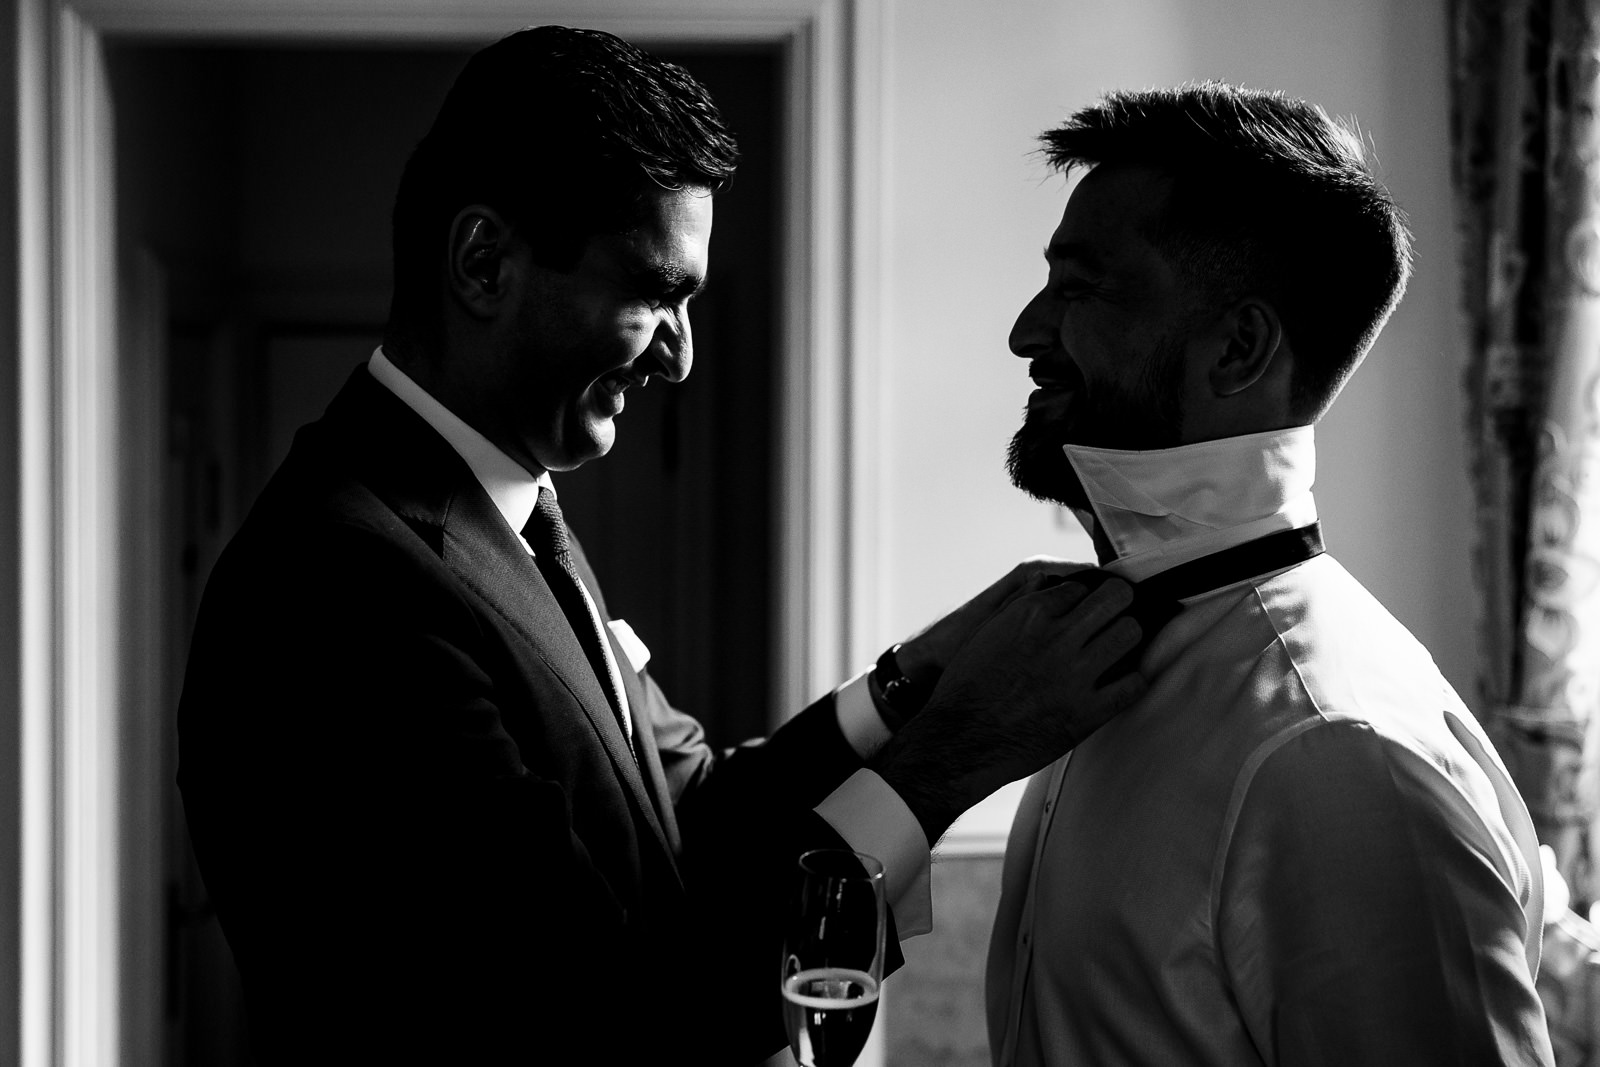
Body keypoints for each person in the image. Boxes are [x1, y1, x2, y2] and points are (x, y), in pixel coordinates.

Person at [176, 25, 1151, 1065]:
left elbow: (679, 813)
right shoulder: (342, 587)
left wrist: (910, 683)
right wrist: (953, 755)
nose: (680, 356)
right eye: (655, 294)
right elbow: (609, 1015)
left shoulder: (507, 512)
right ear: (482, 262)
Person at [985, 83, 1555, 1066]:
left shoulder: (1337, 752)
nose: (1027, 331)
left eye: (1079, 288)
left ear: (1239, 346)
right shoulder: (1096, 657)